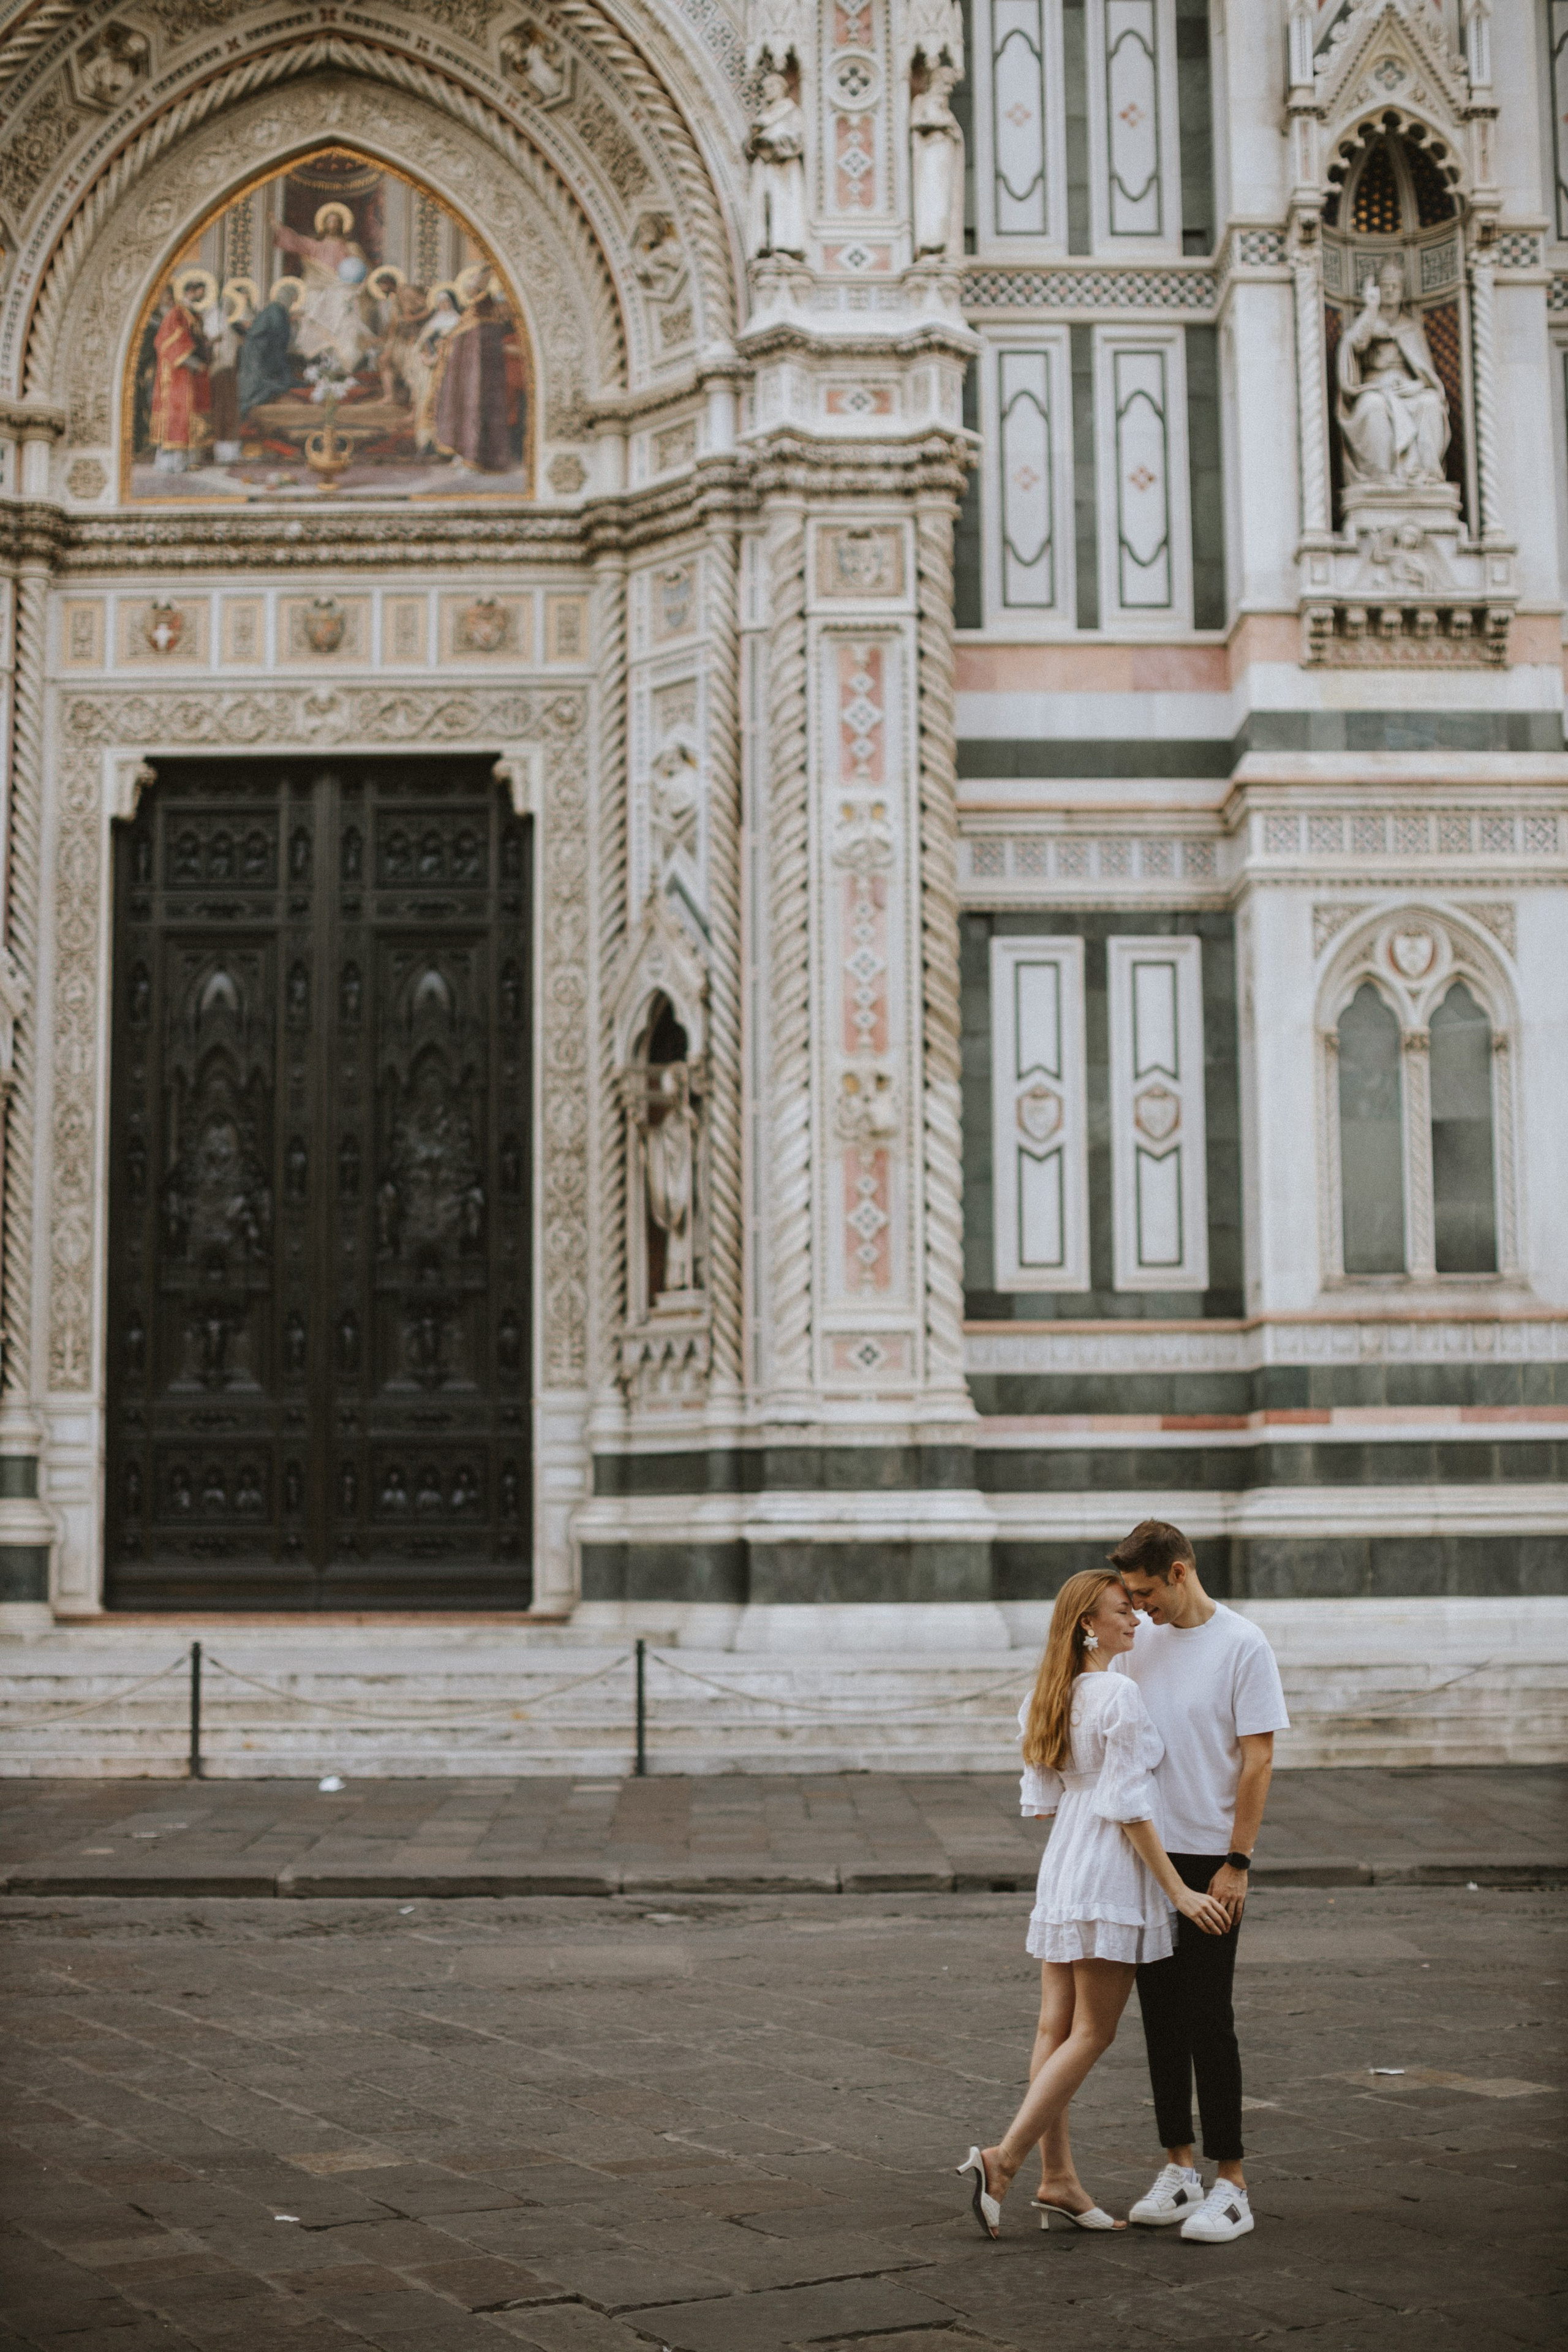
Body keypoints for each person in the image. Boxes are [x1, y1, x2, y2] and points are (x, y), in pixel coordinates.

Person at [956, 1570, 1231, 2239]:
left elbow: (1046, 1802)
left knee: (1053, 2030)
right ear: (1088, 1624)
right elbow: (1131, 1807)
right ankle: (1004, 2160)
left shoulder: (1044, 1696)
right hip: (1111, 1864)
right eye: (1121, 1611)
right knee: (1093, 2033)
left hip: (1065, 1864)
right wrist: (1178, 1890)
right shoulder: (1118, 1694)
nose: (1135, 1620)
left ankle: (1060, 2180)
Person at [1108, 1518, 1291, 2245]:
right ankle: (1178, 2167)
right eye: (1131, 1596)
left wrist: (1237, 1862)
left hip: (1212, 1860)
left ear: (1179, 1573)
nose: (1138, 1606)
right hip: (1149, 1855)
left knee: (1208, 2014)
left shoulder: (1243, 1644)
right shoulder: (1139, 1642)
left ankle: (1232, 2183)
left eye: (1145, 1592)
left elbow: (1258, 1759)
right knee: (1159, 2014)